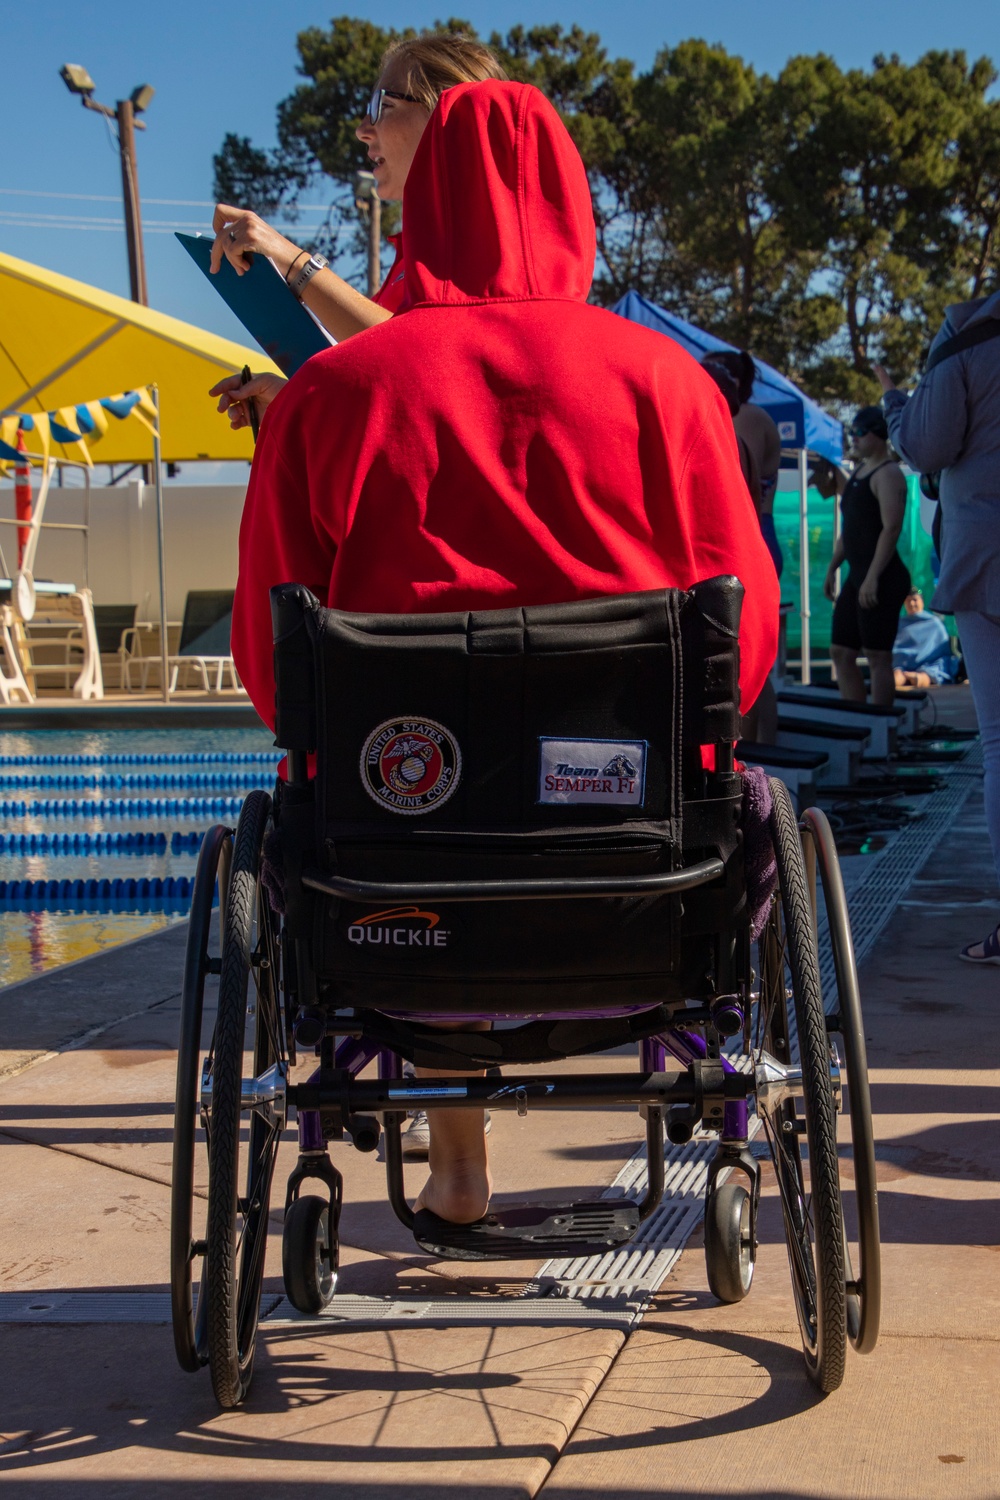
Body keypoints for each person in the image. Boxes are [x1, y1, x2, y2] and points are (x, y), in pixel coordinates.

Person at [232, 80, 780, 1223]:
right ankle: (700, 1096)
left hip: (389, 885)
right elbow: (745, 634)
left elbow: (271, 664)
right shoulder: (665, 385)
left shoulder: (332, 394)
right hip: (645, 875)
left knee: (380, 768)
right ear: (573, 204)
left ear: (425, 201)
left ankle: (461, 1174)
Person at [209, 33, 508, 430]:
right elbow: (398, 400)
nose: (363, 129)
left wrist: (293, 260)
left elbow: (418, 361)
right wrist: (292, 403)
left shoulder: (495, 244)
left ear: (445, 114)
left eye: (381, 106)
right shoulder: (415, 253)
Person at [874, 287, 1000, 963]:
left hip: (988, 551)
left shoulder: (968, 333)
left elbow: (924, 447)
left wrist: (896, 401)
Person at [824, 405, 910, 708]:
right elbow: (852, 530)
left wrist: (873, 577)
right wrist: (833, 567)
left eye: (860, 432)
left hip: (883, 577)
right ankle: (858, 721)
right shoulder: (859, 473)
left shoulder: (888, 474)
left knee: (877, 656)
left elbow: (891, 528)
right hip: (858, 576)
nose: (855, 438)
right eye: (852, 432)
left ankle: (881, 731)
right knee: (841, 652)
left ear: (879, 435)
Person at [702, 350, 783, 576]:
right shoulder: (745, 416)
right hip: (751, 532)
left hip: (749, 534)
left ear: (733, 382)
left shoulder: (746, 416)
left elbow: (737, 477)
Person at [892, 589, 958, 689]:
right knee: (896, 675)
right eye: (908, 600)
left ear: (922, 602)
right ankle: (901, 678)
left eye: (915, 600)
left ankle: (919, 678)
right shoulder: (900, 623)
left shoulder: (934, 623)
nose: (911, 603)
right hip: (903, 664)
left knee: (927, 674)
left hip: (929, 664)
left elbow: (942, 649)